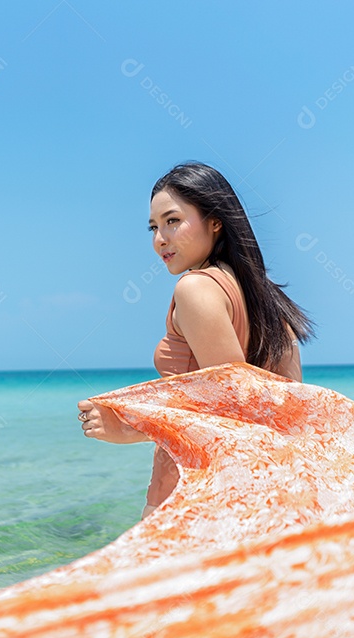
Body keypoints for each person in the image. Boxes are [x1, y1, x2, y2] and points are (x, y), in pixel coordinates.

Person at [77, 162, 313, 518]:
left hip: (191, 494)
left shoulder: (195, 289)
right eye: (154, 227)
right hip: (254, 494)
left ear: (215, 221)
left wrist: (128, 427)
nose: (160, 239)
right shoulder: (271, 302)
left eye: (173, 221)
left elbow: (232, 409)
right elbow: (288, 413)